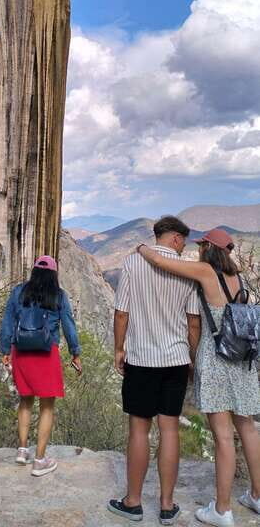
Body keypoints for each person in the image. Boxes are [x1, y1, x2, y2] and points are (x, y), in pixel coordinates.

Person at [137, 228, 260, 527]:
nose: (200, 249)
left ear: (208, 248)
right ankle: (257, 496)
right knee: (248, 429)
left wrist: (143, 249)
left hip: (216, 361)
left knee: (221, 436)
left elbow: (164, 263)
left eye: (202, 245)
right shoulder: (240, 280)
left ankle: (222, 510)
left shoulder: (207, 272)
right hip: (242, 362)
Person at [108, 215, 201, 525]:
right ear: (175, 238)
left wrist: (119, 348)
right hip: (175, 359)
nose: (183, 246)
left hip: (141, 358)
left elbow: (121, 313)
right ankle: (166, 505)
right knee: (170, 428)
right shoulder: (186, 270)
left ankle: (133, 502)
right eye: (183, 241)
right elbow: (193, 321)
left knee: (138, 429)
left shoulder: (133, 264)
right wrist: (192, 357)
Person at [0, 254, 82, 476]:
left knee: (25, 401)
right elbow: (68, 326)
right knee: (47, 406)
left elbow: (8, 321)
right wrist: (76, 353)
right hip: (46, 354)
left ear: (34, 272)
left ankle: (22, 450)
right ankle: (39, 460)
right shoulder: (59, 296)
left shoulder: (19, 292)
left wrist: (5, 350)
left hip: (21, 352)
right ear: (54, 274)